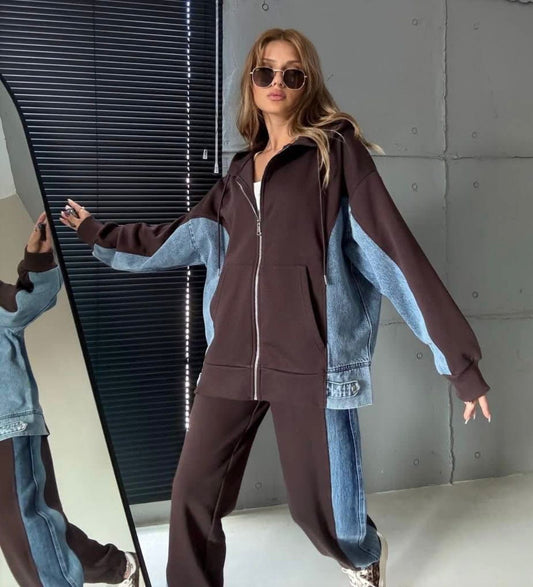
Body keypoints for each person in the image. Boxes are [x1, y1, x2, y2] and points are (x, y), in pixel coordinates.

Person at [60, 28, 492, 587]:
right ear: (251, 82)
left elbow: (394, 254)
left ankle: (362, 552)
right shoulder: (237, 176)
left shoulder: (336, 157)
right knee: (192, 494)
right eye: (266, 71)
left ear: (307, 84)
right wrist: (98, 233)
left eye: (293, 73)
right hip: (232, 356)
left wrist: (459, 362)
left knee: (323, 517)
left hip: (309, 360)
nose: (277, 82)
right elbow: (176, 239)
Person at [0, 212, 140, 587]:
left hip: (6, 425)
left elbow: (24, 304)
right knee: (36, 527)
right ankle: (121, 566)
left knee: (27, 533)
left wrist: (37, 261)